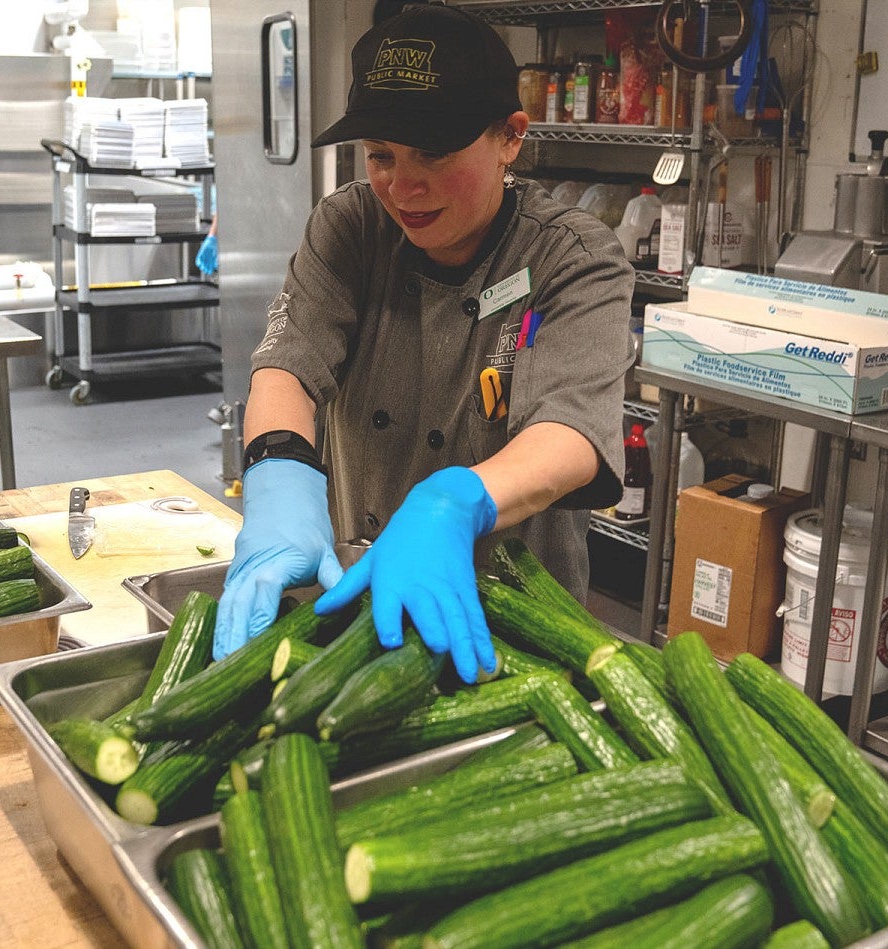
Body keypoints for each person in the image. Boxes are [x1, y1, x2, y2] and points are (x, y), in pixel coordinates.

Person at [213, 3, 635, 684]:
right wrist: (279, 475)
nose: (402, 187)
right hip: (365, 606)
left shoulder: (575, 257)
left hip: (514, 625)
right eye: (382, 155)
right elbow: (286, 370)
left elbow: (571, 435)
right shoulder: (349, 227)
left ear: (510, 137)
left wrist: (454, 502)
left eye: (433, 154)